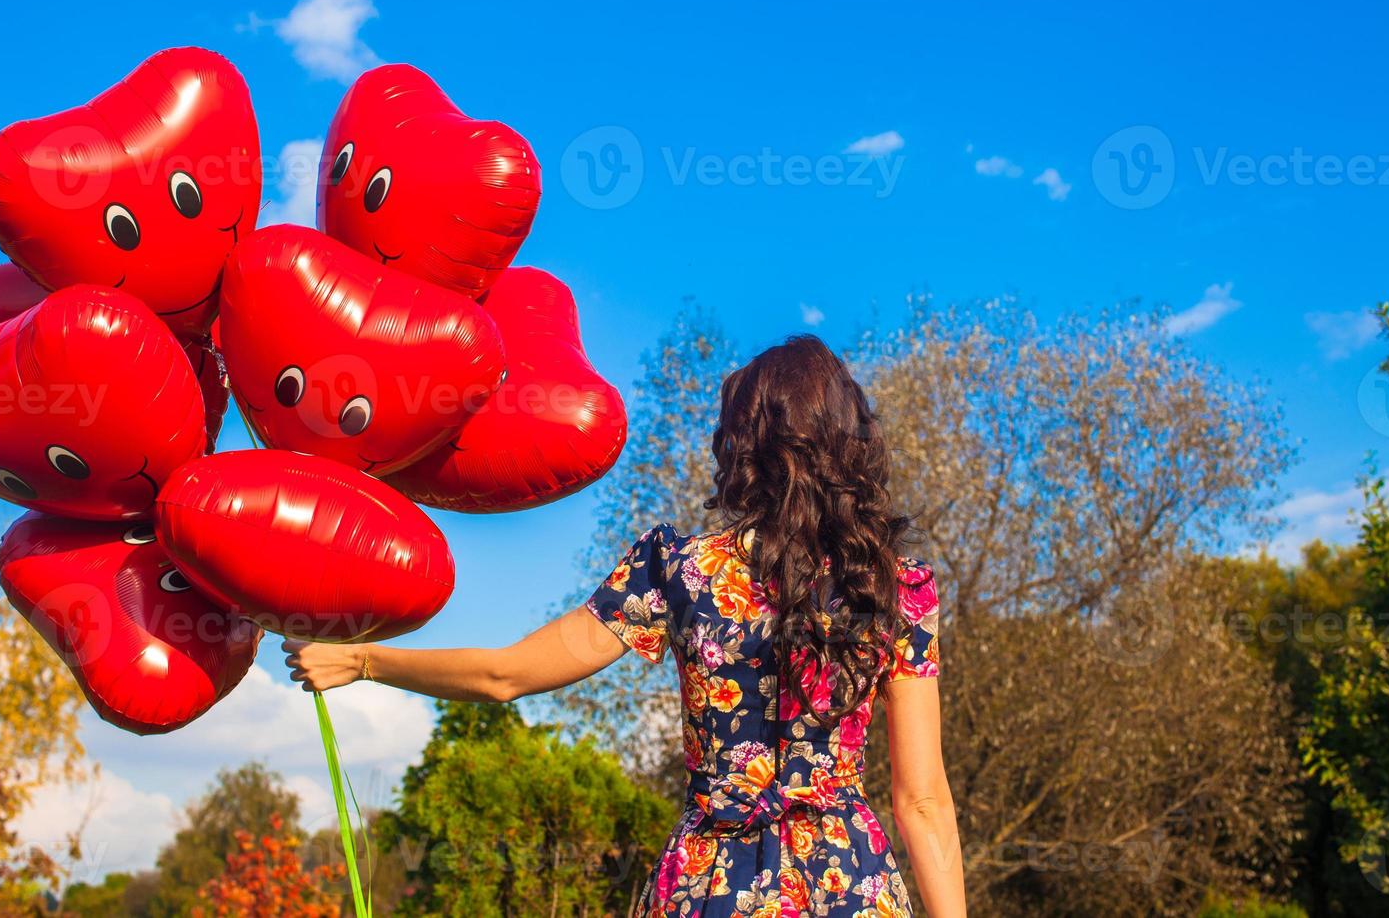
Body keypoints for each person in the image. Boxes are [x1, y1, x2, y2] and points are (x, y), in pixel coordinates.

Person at [285, 335, 967, 917]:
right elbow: (924, 802)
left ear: (743, 444)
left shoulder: (678, 569)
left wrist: (363, 661)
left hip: (710, 885)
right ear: (849, 441)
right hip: (851, 886)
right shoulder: (895, 590)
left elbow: (506, 675)